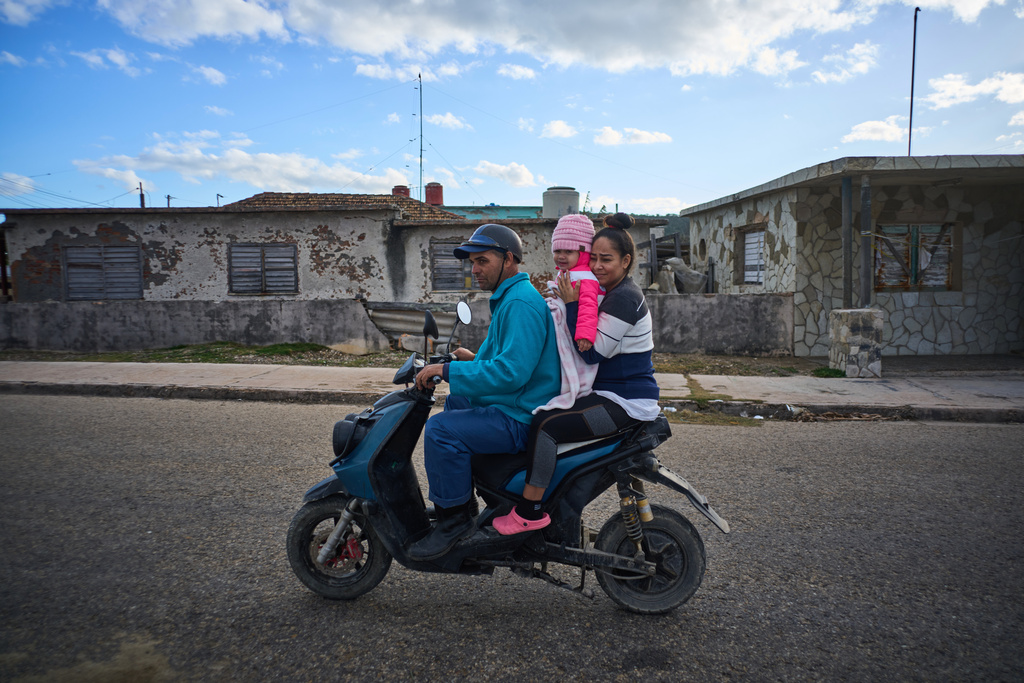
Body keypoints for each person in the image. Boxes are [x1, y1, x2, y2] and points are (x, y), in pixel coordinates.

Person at [492, 213, 660, 535]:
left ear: (626, 261)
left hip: (625, 404)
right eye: (593, 257)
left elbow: (592, 351)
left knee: (546, 426)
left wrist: (570, 306)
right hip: (609, 395)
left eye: (606, 259)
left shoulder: (624, 298)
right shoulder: (606, 292)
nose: (597, 266)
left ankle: (529, 511)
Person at [408, 223, 561, 560]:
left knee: (439, 430)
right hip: (518, 400)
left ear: (508, 259)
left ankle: (454, 522)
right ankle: (465, 495)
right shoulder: (509, 297)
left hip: (521, 415)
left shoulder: (520, 303)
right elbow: (511, 360)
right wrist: (472, 359)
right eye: (472, 262)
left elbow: (512, 373)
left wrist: (448, 370)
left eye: (482, 261)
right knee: (459, 399)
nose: (474, 270)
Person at [549, 213, 601, 353]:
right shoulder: (567, 272)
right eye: (557, 251)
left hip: (577, 338)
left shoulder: (585, 278)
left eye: (568, 251)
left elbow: (589, 306)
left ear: (583, 252)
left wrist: (585, 335)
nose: (561, 256)